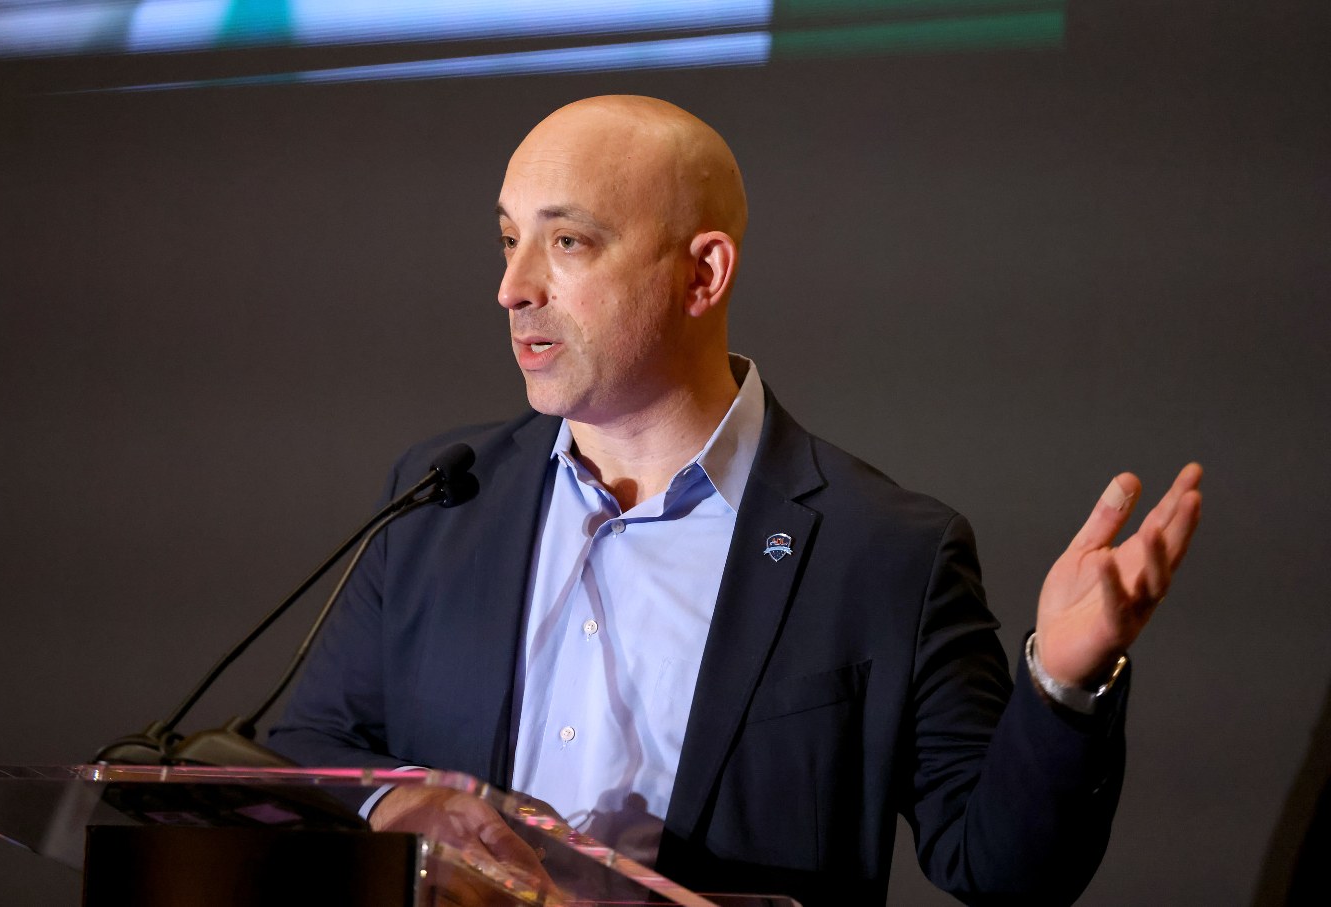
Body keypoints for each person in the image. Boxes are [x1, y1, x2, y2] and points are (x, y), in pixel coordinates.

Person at [268, 95, 1203, 906]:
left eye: (567, 242)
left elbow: (1002, 870)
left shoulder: (886, 553)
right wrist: (399, 803)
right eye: (510, 240)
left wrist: (1065, 684)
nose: (513, 288)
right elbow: (311, 739)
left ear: (702, 273)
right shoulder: (444, 494)